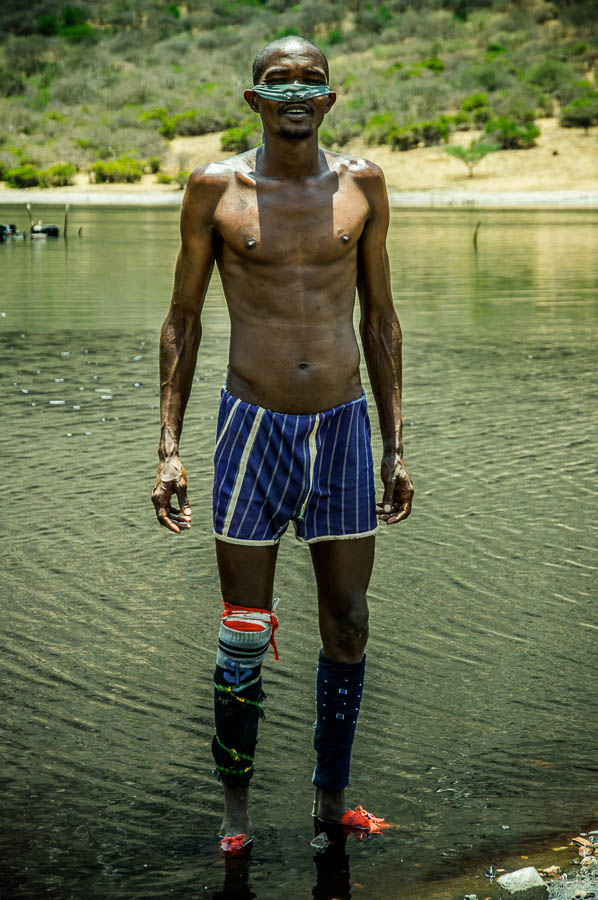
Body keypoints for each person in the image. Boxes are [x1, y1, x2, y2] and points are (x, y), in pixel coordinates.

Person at [151, 35, 414, 853]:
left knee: (348, 619)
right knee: (244, 627)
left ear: (331, 99)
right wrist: (168, 446)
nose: (295, 94)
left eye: (311, 83)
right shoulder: (214, 190)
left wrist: (395, 444)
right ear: (253, 100)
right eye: (278, 82)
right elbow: (183, 321)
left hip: (342, 423)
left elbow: (380, 318)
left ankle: (330, 798)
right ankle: (236, 817)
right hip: (250, 427)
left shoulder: (362, 186)